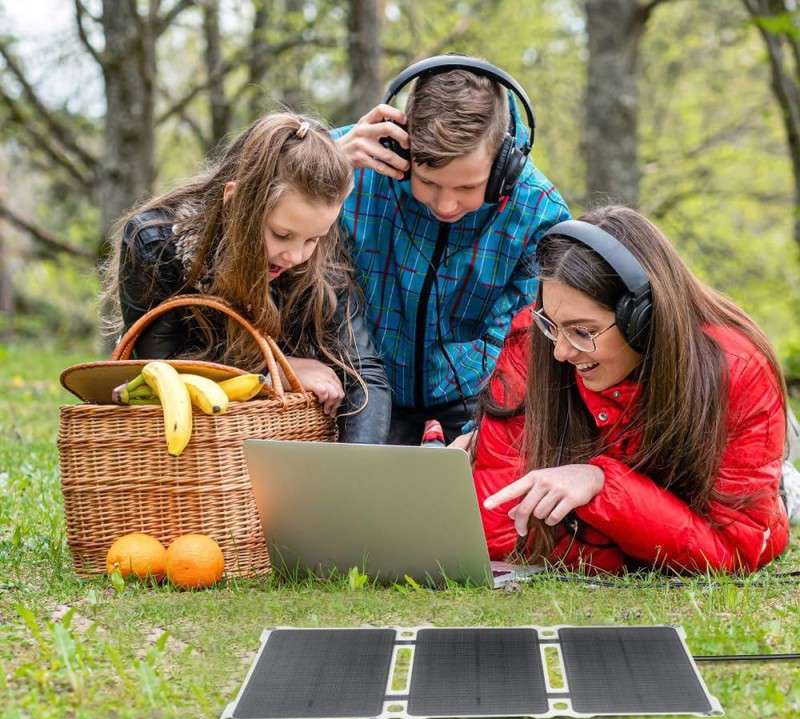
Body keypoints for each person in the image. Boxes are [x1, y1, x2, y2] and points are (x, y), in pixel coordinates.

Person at [469, 205, 788, 574]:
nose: (560, 351)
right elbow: (492, 519)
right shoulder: (532, 342)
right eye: (551, 324)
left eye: (583, 332)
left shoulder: (738, 369)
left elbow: (735, 550)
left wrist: (601, 486)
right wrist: (634, 545)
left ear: (643, 319)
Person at [102, 113, 391, 444]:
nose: (297, 256)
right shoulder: (156, 241)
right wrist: (275, 370)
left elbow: (364, 374)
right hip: (190, 451)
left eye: (313, 239)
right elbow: (161, 366)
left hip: (285, 441)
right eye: (282, 234)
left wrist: (357, 474)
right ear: (235, 201)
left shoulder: (319, 246)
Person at [333, 55, 570, 444]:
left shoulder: (540, 212)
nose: (445, 205)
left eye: (466, 188)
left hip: (476, 404)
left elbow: (522, 343)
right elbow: (233, 210)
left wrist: (489, 427)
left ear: (502, 170)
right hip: (353, 386)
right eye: (427, 182)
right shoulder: (353, 158)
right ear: (401, 149)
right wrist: (325, 169)